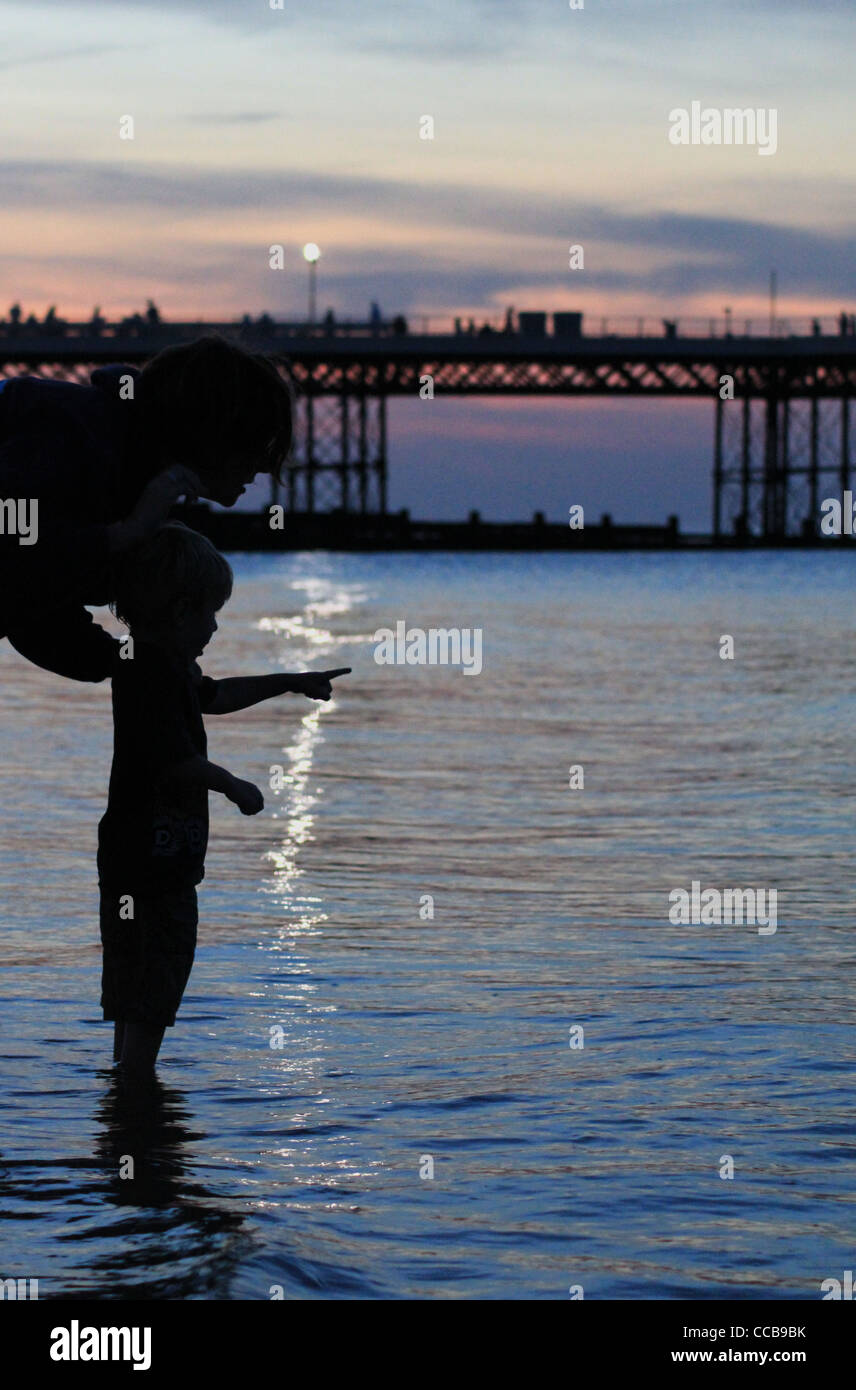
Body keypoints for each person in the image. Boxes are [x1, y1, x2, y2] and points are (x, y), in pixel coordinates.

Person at [99, 521, 351, 1080]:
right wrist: (233, 785)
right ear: (181, 609)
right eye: (210, 613)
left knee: (137, 981)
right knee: (154, 975)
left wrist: (289, 680)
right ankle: (136, 1093)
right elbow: (172, 760)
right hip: (150, 863)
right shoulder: (147, 671)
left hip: (150, 858)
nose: (215, 626)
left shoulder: (166, 666)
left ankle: (126, 1096)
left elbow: (217, 694)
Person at [0, 334, 294, 683]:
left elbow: (35, 612)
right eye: (259, 441)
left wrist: (136, 665)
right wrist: (121, 535)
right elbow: (13, 565)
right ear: (216, 432)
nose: (264, 465)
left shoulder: (127, 461)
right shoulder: (69, 432)